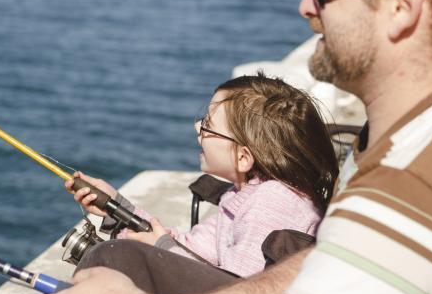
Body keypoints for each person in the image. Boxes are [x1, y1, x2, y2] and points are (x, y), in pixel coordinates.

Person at [40, 0, 432, 294]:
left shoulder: (409, 184)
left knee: (119, 259)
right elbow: (330, 261)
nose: (304, 6)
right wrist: (122, 214)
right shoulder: (400, 137)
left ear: (402, 6)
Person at [66, 73, 338, 277]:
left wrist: (160, 247)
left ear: (243, 157)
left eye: (208, 125)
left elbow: (236, 289)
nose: (197, 128)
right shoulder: (243, 193)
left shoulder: (271, 203)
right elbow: (191, 250)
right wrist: (116, 207)